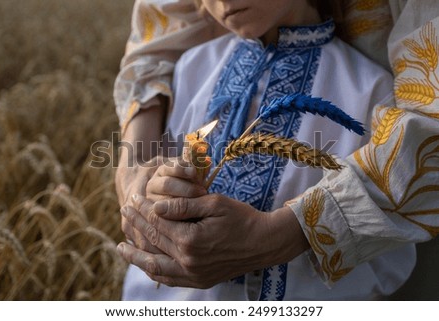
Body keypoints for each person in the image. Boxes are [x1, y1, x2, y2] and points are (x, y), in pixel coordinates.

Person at [113, 0, 427, 301]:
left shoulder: (370, 91)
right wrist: (163, 192)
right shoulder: (191, 68)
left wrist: (283, 248)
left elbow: (384, 259)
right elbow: (158, 181)